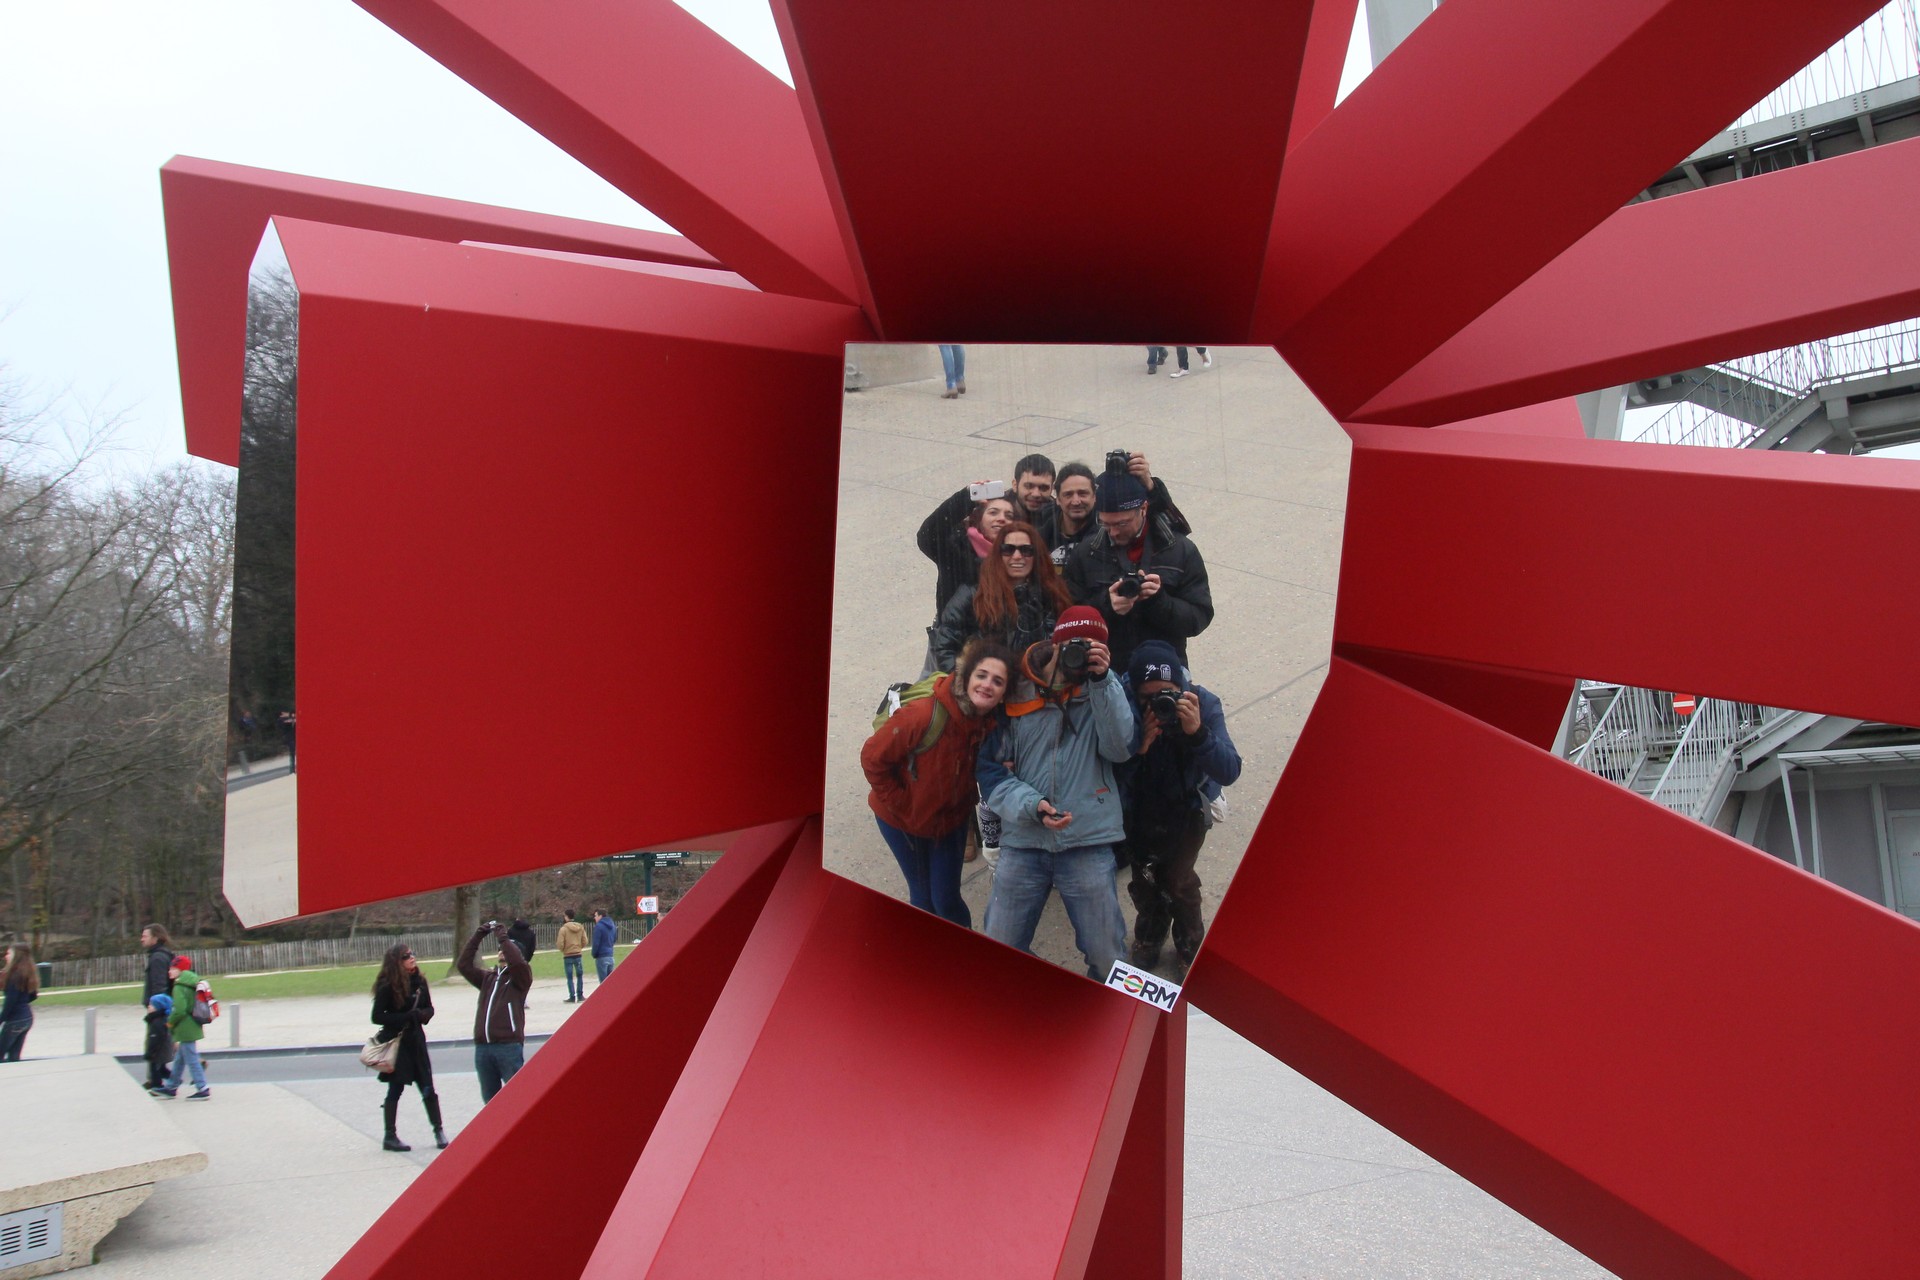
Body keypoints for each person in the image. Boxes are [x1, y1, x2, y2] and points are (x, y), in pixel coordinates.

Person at [976, 608, 1134, 980]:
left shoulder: (1105, 689)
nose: (1080, 654)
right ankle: (1040, 1000)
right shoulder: (1016, 691)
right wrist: (1033, 806)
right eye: (1075, 646)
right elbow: (992, 773)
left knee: (1108, 956)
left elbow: (1120, 748)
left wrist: (1102, 680)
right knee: (998, 945)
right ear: (1055, 644)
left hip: (1087, 839)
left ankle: (1106, 1007)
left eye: (1093, 647)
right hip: (1025, 838)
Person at [862, 638, 1016, 927]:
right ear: (966, 676)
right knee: (923, 900)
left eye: (997, 681)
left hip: (950, 822)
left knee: (946, 899)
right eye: (981, 675)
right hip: (902, 822)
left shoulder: (992, 724)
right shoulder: (923, 715)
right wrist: (903, 806)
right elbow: (872, 758)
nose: (987, 685)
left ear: (1004, 693)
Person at [1118, 641, 1242, 977]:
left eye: (1168, 694)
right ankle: (1151, 932)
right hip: (1138, 809)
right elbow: (1107, 778)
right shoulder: (1123, 707)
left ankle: (1189, 942)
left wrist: (1198, 734)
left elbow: (1230, 771)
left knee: (1178, 881)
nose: (1159, 704)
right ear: (1135, 693)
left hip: (1186, 809)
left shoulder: (1203, 703)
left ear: (1181, 687)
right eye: (1148, 698)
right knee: (1143, 880)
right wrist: (1138, 748)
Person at [1065, 464, 1212, 673]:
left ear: (1143, 509)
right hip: (1105, 672)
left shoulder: (1180, 551)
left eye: (1121, 524)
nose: (1113, 532)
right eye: (1105, 524)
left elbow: (1198, 619)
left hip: (1164, 672)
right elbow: (1067, 617)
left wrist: (1159, 601)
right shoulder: (1086, 553)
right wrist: (1107, 605)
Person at [930, 523, 1074, 673]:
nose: (1017, 556)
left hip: (1036, 683)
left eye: (1026, 550)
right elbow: (945, 648)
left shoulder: (1052, 594)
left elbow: (1057, 651)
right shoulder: (972, 593)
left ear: (1037, 555)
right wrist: (966, 682)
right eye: (1008, 549)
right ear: (998, 554)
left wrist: (1034, 630)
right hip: (982, 682)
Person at [371, 942, 446, 1151]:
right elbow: (377, 1016)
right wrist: (404, 1017)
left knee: (428, 1087)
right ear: (396, 961)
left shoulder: (420, 981)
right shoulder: (387, 984)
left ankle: (439, 1130)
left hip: (416, 1042)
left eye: (412, 954)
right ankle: (390, 1135)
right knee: (395, 1088)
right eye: (406, 956)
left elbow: (429, 1008)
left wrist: (422, 1015)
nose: (412, 958)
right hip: (398, 1043)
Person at [458, 922, 531, 1102]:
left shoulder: (520, 978)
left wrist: (504, 938)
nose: (501, 952)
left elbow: (518, 963)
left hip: (508, 1046)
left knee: (518, 1099)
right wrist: (478, 936)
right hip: (483, 1048)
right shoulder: (488, 978)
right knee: (490, 1103)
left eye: (506, 950)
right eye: (500, 950)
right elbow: (463, 965)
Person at [151, 953, 209, 1098]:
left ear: (180, 970)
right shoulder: (193, 982)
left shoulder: (178, 986)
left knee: (192, 1059)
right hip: (193, 1023)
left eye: (172, 968)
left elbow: (180, 1010)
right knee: (180, 1059)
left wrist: (170, 1021)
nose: (169, 971)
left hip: (184, 1026)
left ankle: (202, 1087)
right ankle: (172, 1086)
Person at [1, 944, 39, 1062]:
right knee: (14, 1057)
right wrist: (22, 1003)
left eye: (9, 953)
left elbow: (10, 1002)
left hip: (15, 1020)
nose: (6, 956)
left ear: (16, 956)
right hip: (27, 1018)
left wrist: (1, 1019)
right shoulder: (27, 973)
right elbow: (33, 995)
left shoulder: (14, 976)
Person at [143, 992, 175, 1090]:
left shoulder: (157, 1021)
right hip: (161, 1050)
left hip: (158, 1051)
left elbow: (155, 1038)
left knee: (155, 1069)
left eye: (151, 1005)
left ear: (158, 1007)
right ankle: (174, 1079)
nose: (148, 1006)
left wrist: (150, 1052)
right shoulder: (161, 1019)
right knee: (162, 1069)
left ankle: (157, 1085)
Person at [557, 909, 589, 1002]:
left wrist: (564, 950)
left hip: (568, 955)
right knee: (579, 975)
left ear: (567, 917)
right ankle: (580, 995)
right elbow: (585, 941)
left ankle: (572, 996)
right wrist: (579, 947)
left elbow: (560, 943)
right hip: (578, 954)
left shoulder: (563, 929)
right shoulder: (580, 927)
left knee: (570, 977)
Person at [140, 923, 175, 1007]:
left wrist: (156, 1005)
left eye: (145, 936)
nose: (142, 939)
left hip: (159, 1007)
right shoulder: (163, 954)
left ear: (155, 938)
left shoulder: (158, 958)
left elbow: (159, 984)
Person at [591, 909, 617, 984]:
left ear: (600, 916)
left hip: (601, 956)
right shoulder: (612, 925)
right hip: (610, 955)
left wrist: (594, 953)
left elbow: (596, 943)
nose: (594, 918)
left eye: (595, 916)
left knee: (603, 983)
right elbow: (614, 938)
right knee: (610, 982)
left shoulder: (599, 926)